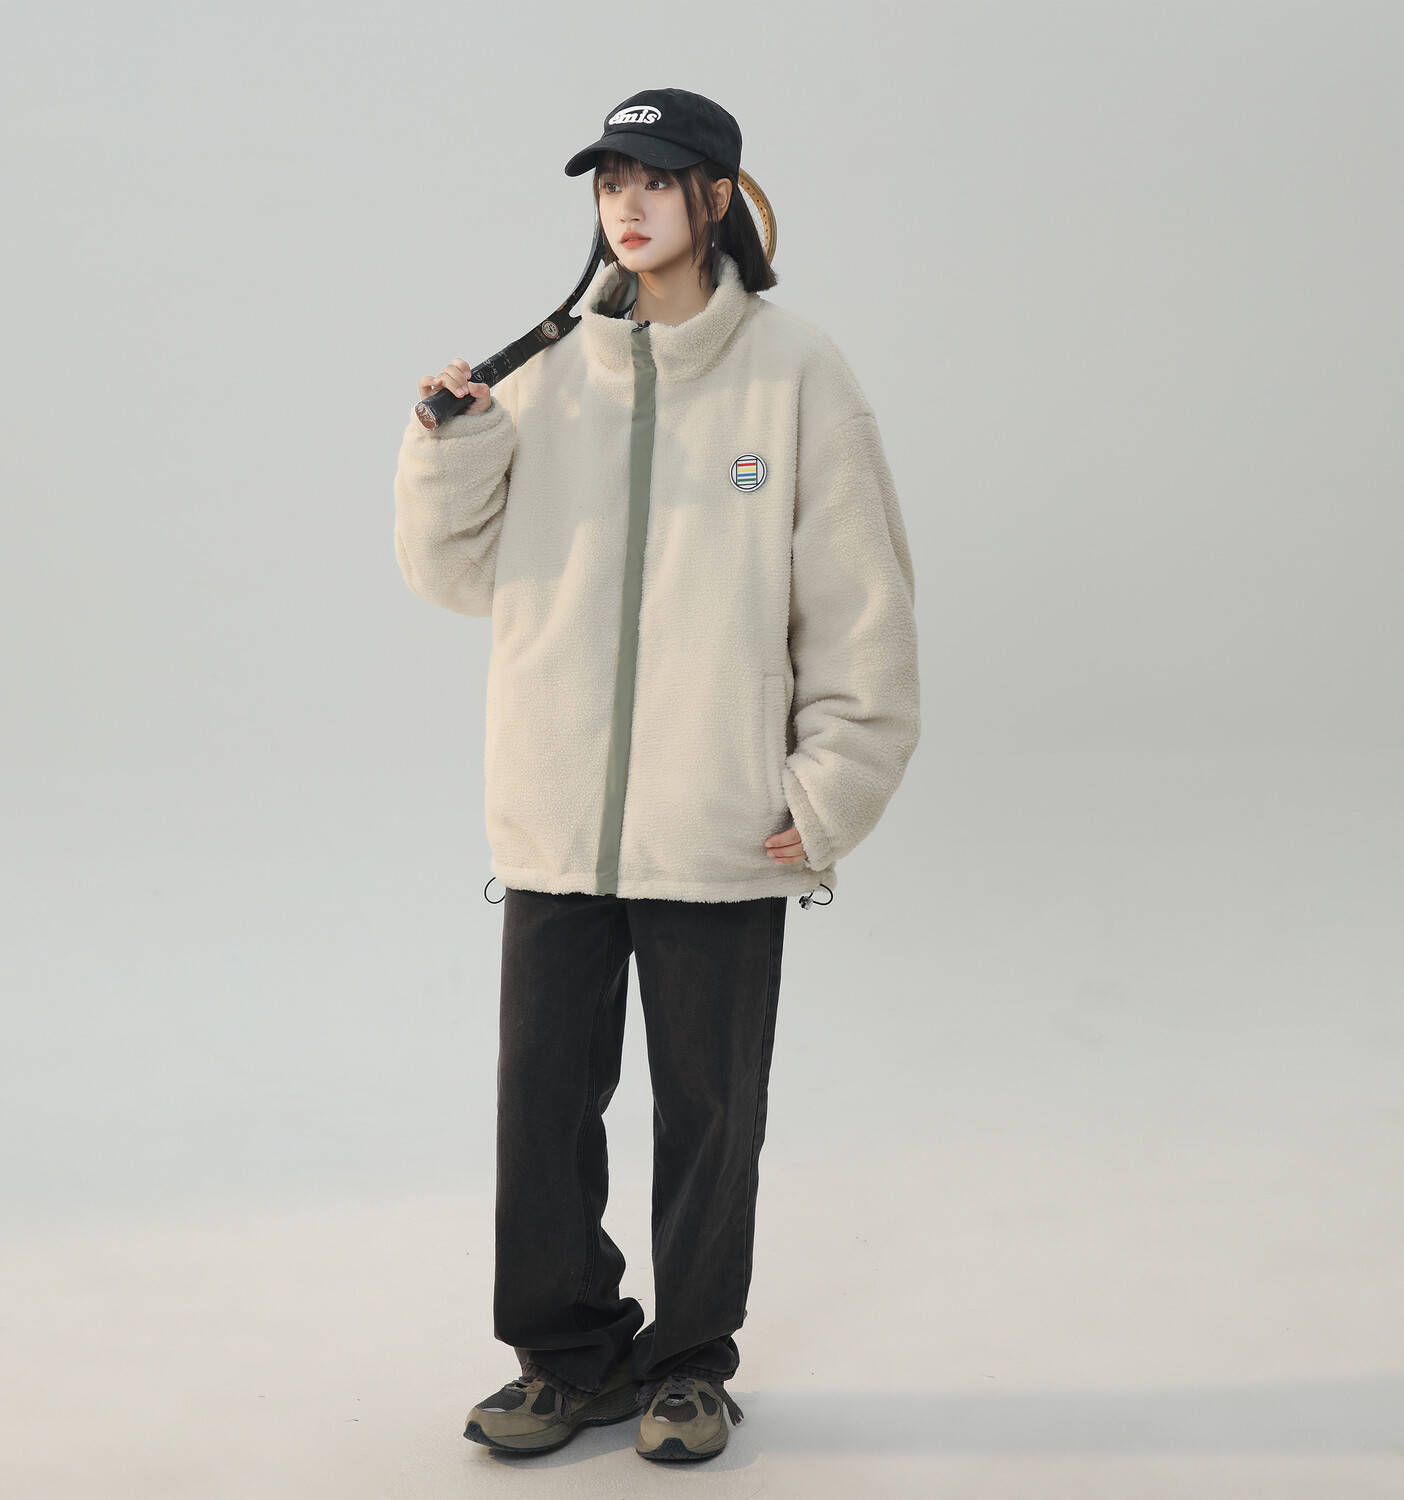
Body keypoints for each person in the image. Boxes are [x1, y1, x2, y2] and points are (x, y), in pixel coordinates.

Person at [393, 87, 921, 1464]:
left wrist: (825, 792)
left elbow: (864, 611)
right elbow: (454, 575)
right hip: (558, 820)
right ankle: (565, 1357)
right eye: (608, 181)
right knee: (542, 1108)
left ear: (719, 199)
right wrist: (451, 444)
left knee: (709, 1116)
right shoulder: (547, 371)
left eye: (654, 179)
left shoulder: (796, 375)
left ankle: (687, 1364)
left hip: (724, 826)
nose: (625, 206)